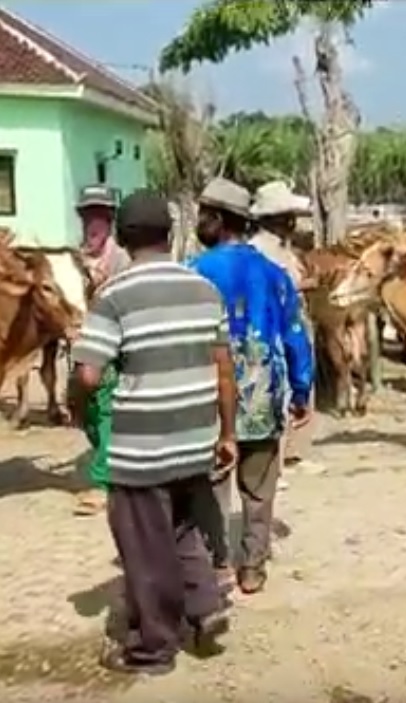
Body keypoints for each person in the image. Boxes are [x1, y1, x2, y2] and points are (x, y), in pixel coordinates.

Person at [68, 190, 235, 675]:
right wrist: (226, 434)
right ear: (169, 235)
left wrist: (78, 409)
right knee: (184, 530)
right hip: (197, 438)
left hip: (142, 448)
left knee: (143, 548)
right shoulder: (203, 289)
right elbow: (223, 369)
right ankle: (205, 609)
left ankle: (152, 648)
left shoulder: (114, 296)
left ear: (123, 236)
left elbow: (89, 376)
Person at [189, 177, 314, 595]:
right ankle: (253, 567)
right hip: (263, 394)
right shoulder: (275, 276)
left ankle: (218, 560)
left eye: (205, 214)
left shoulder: (192, 273)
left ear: (222, 219)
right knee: (259, 489)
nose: (199, 221)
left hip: (207, 397)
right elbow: (296, 336)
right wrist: (300, 391)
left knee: (212, 485)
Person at [249, 181, 316, 475]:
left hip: (284, 325)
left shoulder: (278, 249)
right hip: (275, 330)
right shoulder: (263, 252)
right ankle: (273, 464)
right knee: (277, 391)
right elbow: (278, 289)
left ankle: (291, 453)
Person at [72, 184, 131, 517]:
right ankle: (111, 462)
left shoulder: (120, 260)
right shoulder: (78, 258)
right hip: (81, 347)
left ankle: (103, 481)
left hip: (110, 347)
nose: (92, 223)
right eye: (87, 216)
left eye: (99, 216)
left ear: (110, 221)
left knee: (106, 407)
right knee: (87, 415)